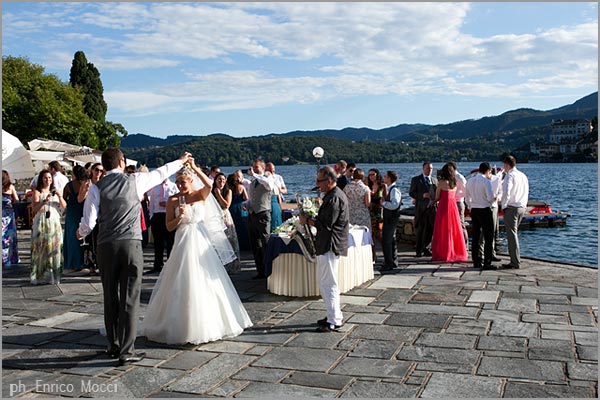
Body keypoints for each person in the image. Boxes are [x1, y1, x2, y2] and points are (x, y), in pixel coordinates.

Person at [77, 148, 192, 366]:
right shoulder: (135, 180)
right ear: (121, 162)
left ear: (105, 165)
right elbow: (161, 172)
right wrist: (181, 160)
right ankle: (126, 350)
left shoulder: (96, 188)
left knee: (110, 295)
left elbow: (89, 223)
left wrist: (80, 232)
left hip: (106, 246)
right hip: (130, 244)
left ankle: (112, 344)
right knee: (129, 297)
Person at [144, 162, 252, 345]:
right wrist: (179, 217)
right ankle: (180, 322)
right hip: (182, 239)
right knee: (182, 277)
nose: (180, 186)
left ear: (190, 181)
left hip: (201, 241)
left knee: (205, 277)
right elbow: (169, 227)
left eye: (183, 182)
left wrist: (194, 168)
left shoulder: (199, 195)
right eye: (178, 182)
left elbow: (209, 185)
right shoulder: (172, 200)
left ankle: (208, 322)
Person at [300, 166, 349, 333]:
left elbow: (326, 225)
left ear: (329, 181)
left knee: (329, 283)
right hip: (327, 244)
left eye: (319, 181)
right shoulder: (333, 195)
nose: (317, 185)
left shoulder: (334, 198)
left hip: (329, 245)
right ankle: (332, 315)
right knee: (325, 282)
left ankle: (334, 319)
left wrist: (307, 220)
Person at [31, 170, 67, 285]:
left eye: (50, 178)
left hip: (54, 222)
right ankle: (40, 275)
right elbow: (34, 209)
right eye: (45, 178)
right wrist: (44, 201)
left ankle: (54, 276)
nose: (48, 180)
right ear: (41, 179)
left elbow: (64, 207)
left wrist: (60, 196)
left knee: (54, 248)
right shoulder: (37, 192)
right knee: (40, 249)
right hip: (41, 221)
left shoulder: (56, 191)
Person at [431, 163, 468, 263]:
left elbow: (437, 197)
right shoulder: (454, 183)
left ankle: (443, 252)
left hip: (444, 207)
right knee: (454, 229)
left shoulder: (442, 183)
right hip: (453, 207)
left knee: (442, 229)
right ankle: (455, 251)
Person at [245, 159, 274, 279]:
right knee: (255, 244)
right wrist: (246, 204)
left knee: (265, 242)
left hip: (263, 214)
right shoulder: (252, 182)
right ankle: (260, 271)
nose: (254, 169)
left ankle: (269, 271)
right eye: (253, 167)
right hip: (252, 214)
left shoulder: (267, 179)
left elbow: (269, 186)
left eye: (257, 167)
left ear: (263, 168)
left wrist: (256, 175)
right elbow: (252, 198)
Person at [465, 162, 497, 270]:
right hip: (484, 209)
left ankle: (476, 260)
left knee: (476, 235)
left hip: (474, 209)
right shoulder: (486, 182)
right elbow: (490, 197)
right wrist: (494, 198)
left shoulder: (470, 181)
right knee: (489, 236)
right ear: (488, 171)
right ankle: (487, 261)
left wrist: (470, 206)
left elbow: (466, 198)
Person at [145, 178, 178, 275]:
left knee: (170, 242)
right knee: (157, 242)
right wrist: (151, 216)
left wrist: (168, 204)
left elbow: (176, 201)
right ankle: (157, 265)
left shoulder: (173, 187)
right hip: (157, 215)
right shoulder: (155, 187)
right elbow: (151, 203)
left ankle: (170, 265)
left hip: (169, 215)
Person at [501, 155, 529, 269]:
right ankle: (515, 259)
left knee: (511, 235)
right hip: (522, 206)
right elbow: (527, 190)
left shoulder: (509, 176)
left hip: (512, 207)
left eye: (504, 165)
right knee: (514, 234)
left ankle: (515, 261)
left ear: (507, 164)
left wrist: (503, 206)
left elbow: (506, 192)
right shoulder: (523, 175)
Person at [212, 172, 241, 274]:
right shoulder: (211, 192)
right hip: (214, 217)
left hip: (224, 217)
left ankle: (232, 266)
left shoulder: (228, 191)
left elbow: (226, 205)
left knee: (229, 241)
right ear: (215, 181)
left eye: (223, 180)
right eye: (219, 179)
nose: (221, 182)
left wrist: (218, 194)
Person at [79, 162, 104, 275]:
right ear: (92, 171)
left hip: (101, 216)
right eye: (97, 170)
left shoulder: (104, 183)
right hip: (89, 214)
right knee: (89, 241)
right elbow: (79, 199)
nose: (98, 172)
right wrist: (85, 189)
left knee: (99, 241)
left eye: (101, 170)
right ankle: (91, 264)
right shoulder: (87, 183)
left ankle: (99, 263)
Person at [63, 165, 88, 271]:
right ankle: (83, 261)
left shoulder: (69, 185)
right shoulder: (86, 184)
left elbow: (64, 199)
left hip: (72, 212)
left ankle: (72, 262)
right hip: (83, 211)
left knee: (71, 237)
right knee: (83, 236)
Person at [409, 162, 437, 257]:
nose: (430, 170)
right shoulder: (416, 180)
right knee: (420, 230)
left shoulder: (435, 180)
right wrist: (421, 196)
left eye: (431, 168)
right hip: (421, 209)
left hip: (432, 209)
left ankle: (427, 249)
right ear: (423, 168)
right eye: (428, 168)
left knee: (430, 230)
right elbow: (411, 193)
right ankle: (419, 250)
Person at [381, 170, 402, 271]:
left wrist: (384, 203)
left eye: (385, 176)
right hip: (389, 218)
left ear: (389, 178)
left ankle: (389, 263)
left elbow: (395, 204)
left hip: (391, 218)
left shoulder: (394, 190)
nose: (384, 178)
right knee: (391, 240)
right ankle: (393, 261)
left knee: (387, 240)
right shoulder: (390, 189)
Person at [367, 168, 387, 263]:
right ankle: (373, 256)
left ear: (377, 174)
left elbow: (386, 199)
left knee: (379, 235)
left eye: (373, 174)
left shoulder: (382, 186)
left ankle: (387, 254)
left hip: (379, 213)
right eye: (369, 175)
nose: (371, 176)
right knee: (371, 236)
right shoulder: (368, 185)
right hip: (370, 213)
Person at [228, 172, 250, 251]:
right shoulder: (242, 186)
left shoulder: (229, 188)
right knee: (243, 227)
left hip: (232, 207)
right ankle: (245, 245)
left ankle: (237, 245)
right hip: (241, 207)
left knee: (235, 227)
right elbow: (246, 198)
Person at [448, 161, 468, 247]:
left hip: (458, 202)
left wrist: (457, 196)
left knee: (461, 224)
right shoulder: (450, 177)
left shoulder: (460, 177)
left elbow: (466, 191)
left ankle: (465, 245)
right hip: (451, 203)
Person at [2, 170, 20, 267]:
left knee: (2, 237)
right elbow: (16, 200)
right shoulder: (11, 187)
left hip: (2, 215)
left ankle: (3, 258)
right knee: (10, 237)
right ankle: (11, 257)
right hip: (9, 215)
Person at [488, 167, 503, 261]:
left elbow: (501, 192)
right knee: (486, 231)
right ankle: (484, 253)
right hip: (484, 206)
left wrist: (498, 197)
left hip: (494, 206)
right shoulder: (481, 180)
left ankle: (491, 252)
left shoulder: (497, 180)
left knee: (493, 230)